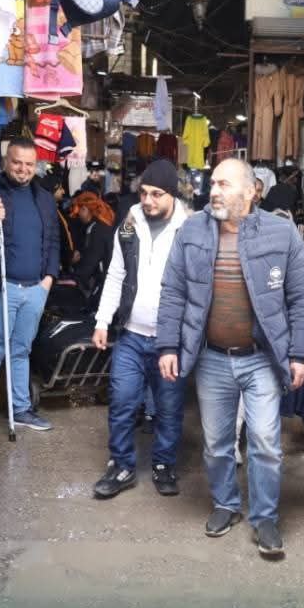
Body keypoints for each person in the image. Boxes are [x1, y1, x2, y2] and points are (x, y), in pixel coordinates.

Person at [156, 158, 304, 558]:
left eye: (223, 184)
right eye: (212, 183)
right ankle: (226, 504)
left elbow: (301, 298)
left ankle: (265, 517)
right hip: (211, 358)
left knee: (265, 442)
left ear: (250, 191)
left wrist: (300, 353)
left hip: (261, 358)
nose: (214, 191)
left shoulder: (281, 232)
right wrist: (168, 345)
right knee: (216, 443)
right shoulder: (192, 230)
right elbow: (173, 290)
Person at [91, 159, 192, 498]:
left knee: (168, 408)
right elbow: (116, 274)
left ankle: (164, 464)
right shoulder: (129, 225)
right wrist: (102, 320)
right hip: (131, 336)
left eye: (156, 194)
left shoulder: (189, 230)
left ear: (172, 195)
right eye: (144, 193)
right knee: (122, 402)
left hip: (170, 341)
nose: (147, 200)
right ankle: (121, 466)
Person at [0, 137, 59, 438]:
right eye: (17, 162)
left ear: (36, 165)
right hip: (1, 286)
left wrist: (48, 280)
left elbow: (53, 241)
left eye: (29, 164)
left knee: (21, 350)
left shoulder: (44, 198)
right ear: (6, 161)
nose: (23, 169)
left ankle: (21, 409)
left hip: (35, 289)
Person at [69, 190, 117, 297]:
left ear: (85, 209)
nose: (78, 215)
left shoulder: (96, 229)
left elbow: (91, 260)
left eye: (78, 211)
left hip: (104, 284)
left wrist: (74, 277)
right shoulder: (102, 225)